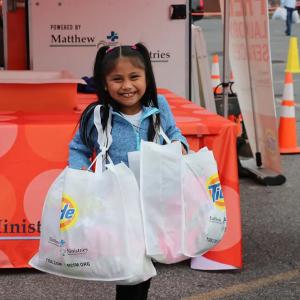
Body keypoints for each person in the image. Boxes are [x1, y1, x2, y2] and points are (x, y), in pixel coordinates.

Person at [68, 43, 189, 300]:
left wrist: (181, 147)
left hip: (153, 201)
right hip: (118, 203)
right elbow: (78, 147)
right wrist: (80, 175)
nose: (127, 86)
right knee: (130, 269)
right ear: (104, 83)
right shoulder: (98, 114)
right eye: (117, 79)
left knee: (144, 266)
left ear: (147, 77)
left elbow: (174, 133)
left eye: (134, 77)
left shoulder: (159, 106)